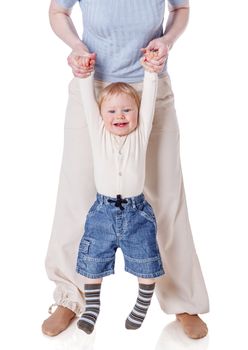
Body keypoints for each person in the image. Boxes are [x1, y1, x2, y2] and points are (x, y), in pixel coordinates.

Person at [42, 0, 209, 339]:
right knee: (78, 195)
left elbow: (181, 9)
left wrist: (168, 41)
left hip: (150, 85)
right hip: (93, 85)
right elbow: (58, 12)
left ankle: (182, 300)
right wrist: (77, 47)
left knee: (166, 197)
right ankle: (69, 296)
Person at [76, 65, 164, 334]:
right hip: (102, 212)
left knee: (146, 260)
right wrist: (85, 75)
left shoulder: (140, 134)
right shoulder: (98, 133)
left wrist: (151, 73)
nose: (120, 116)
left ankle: (142, 303)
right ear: (102, 116)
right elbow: (88, 103)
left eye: (127, 110)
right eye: (112, 111)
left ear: (137, 114)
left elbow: (148, 102)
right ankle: (92, 308)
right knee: (93, 261)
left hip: (137, 213)